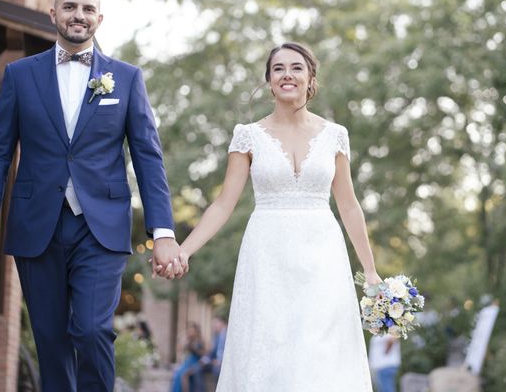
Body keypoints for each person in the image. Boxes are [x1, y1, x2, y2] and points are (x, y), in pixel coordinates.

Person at [0, 0, 185, 392]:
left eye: (87, 9)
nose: (78, 16)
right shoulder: (19, 75)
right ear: (54, 14)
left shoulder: (127, 78)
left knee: (93, 330)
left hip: (100, 227)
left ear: (99, 17)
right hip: (36, 224)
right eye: (69, 7)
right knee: (50, 340)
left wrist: (164, 232)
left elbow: (148, 157)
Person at [157, 42, 381, 391]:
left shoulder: (336, 136)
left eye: (296, 67)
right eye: (278, 68)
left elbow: (349, 206)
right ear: (269, 80)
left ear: (310, 79)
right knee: (270, 347)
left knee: (321, 349)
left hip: (323, 255)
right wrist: (185, 250)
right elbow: (222, 204)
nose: (287, 74)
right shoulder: (248, 136)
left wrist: (370, 272)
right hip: (267, 254)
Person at [182, 315, 228, 391]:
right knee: (197, 369)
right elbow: (211, 353)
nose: (214, 326)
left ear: (222, 323)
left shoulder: (227, 335)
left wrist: (220, 361)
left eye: (215, 323)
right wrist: (203, 360)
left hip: (221, 364)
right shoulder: (216, 336)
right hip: (212, 362)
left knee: (217, 371)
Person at [171, 322, 206, 392]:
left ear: (196, 332)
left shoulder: (200, 341)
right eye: (190, 330)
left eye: (192, 331)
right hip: (188, 361)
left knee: (184, 375)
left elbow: (203, 354)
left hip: (195, 362)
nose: (191, 332)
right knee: (177, 373)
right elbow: (180, 349)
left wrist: (194, 348)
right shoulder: (188, 340)